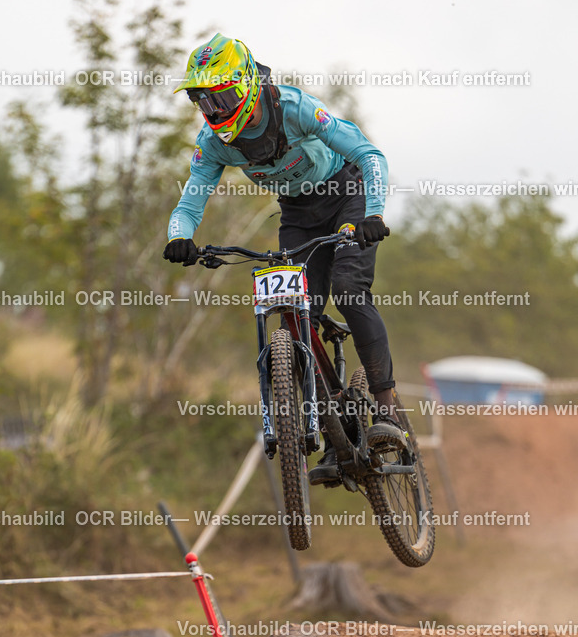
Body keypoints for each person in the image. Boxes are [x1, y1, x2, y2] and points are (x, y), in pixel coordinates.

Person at [163, 33, 407, 484]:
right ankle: (335, 438)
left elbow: (369, 154)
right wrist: (180, 238)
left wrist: (373, 213)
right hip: (298, 215)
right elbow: (190, 202)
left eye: (223, 97)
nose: (215, 111)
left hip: (346, 196)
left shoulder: (294, 108)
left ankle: (388, 408)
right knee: (295, 315)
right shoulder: (213, 142)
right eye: (204, 101)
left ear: (247, 86)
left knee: (350, 292)